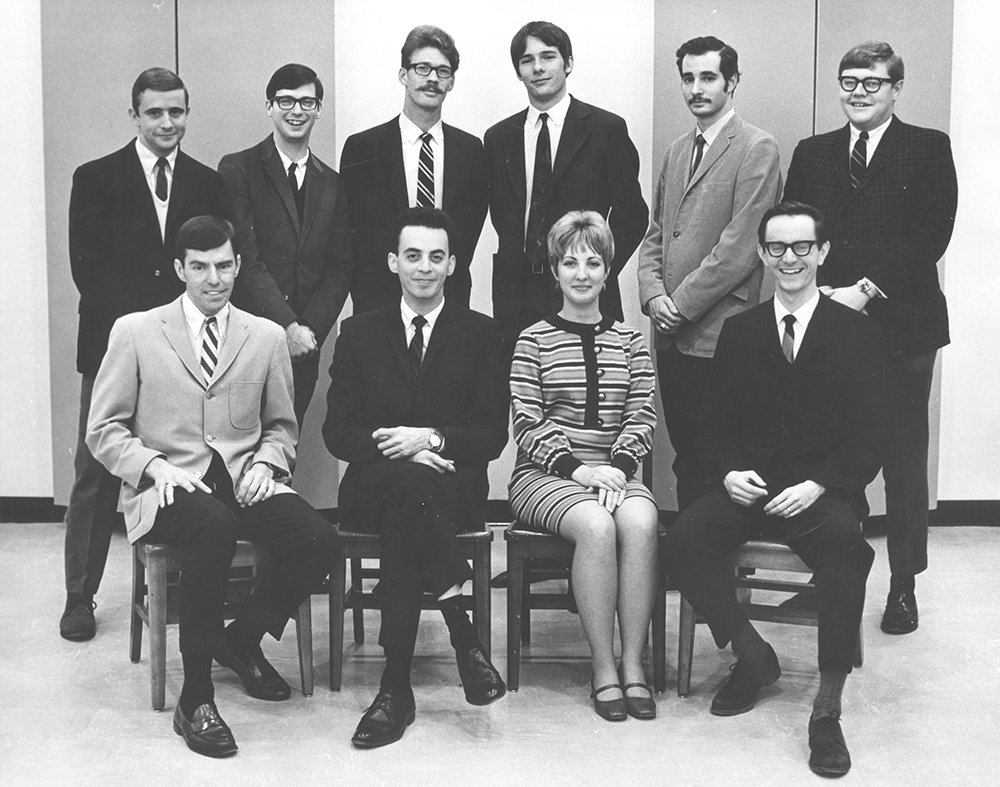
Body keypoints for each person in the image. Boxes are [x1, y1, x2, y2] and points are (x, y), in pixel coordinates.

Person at [86, 216, 338, 757]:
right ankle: (195, 697)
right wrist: (153, 466)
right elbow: (102, 431)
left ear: (238, 265)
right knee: (214, 526)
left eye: (224, 265)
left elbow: (282, 427)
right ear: (180, 269)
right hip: (170, 487)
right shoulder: (135, 331)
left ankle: (241, 641)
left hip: (243, 479)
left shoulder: (266, 336)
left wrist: (267, 466)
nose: (214, 278)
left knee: (320, 538)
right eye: (199, 267)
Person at [662, 202, 887, 777]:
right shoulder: (740, 331)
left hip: (818, 494)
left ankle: (827, 709)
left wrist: (819, 485)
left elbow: (871, 436)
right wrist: (730, 473)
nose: (790, 259)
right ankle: (753, 654)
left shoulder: (856, 332)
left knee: (845, 549)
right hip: (750, 489)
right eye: (778, 248)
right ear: (762, 254)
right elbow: (713, 426)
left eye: (802, 247)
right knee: (683, 539)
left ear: (823, 252)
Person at [783, 41, 958, 635]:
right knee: (827, 452)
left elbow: (931, 235)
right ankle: (826, 574)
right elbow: (796, 229)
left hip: (903, 326)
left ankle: (903, 587)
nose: (858, 91)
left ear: (895, 88)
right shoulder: (813, 152)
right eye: (849, 80)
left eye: (872, 82)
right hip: (829, 322)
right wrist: (817, 293)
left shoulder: (928, 147)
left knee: (904, 460)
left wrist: (865, 288)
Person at [324, 207, 508, 749]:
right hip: (372, 485)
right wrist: (398, 446)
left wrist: (427, 440)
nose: (423, 268)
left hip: (450, 486)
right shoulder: (358, 332)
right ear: (392, 262)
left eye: (435, 257)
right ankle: (465, 640)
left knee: (411, 504)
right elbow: (338, 432)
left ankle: (394, 688)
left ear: (453, 263)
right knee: (409, 488)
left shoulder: (482, 333)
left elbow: (490, 435)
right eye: (412, 256)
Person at [60, 67, 225, 642]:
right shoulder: (96, 177)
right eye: (154, 112)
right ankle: (79, 596)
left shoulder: (208, 182)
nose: (166, 123)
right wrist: (142, 335)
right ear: (134, 115)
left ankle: (180, 587)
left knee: (180, 458)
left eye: (176, 111)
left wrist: (177, 336)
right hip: (114, 343)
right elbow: (89, 269)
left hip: (186, 350)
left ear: (187, 113)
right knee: (96, 468)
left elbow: (207, 267)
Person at [509, 211, 659, 721]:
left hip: (616, 470)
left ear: (608, 269)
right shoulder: (532, 339)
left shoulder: (631, 341)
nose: (581, 273)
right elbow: (527, 422)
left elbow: (642, 414)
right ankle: (603, 668)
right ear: (554, 270)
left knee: (640, 521)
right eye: (569, 262)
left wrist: (616, 465)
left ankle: (633, 664)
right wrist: (580, 471)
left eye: (592, 262)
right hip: (546, 475)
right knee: (596, 526)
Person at [637, 36, 781, 512]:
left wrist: (678, 305)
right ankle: (689, 553)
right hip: (670, 330)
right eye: (688, 78)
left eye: (708, 77)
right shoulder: (678, 150)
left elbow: (740, 249)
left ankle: (714, 563)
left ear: (732, 82)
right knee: (686, 450)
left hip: (718, 331)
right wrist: (653, 295)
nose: (696, 88)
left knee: (718, 451)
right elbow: (657, 232)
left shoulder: (758, 148)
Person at [485, 20, 648, 351]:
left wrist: (594, 269)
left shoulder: (605, 129)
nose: (538, 68)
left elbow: (632, 215)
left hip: (583, 291)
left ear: (568, 63)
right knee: (520, 390)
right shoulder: (498, 137)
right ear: (518, 71)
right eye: (527, 60)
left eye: (548, 57)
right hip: (517, 293)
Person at [219, 63, 353, 428]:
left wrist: (309, 330)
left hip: (304, 348)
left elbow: (340, 268)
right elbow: (243, 257)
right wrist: (286, 327)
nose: (297, 111)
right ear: (269, 107)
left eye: (307, 102)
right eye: (286, 101)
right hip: (249, 339)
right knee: (239, 448)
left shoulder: (333, 184)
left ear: (319, 109)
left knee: (282, 451)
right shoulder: (238, 169)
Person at [341, 25, 487, 313]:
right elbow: (354, 235)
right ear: (403, 75)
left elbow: (467, 234)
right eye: (423, 68)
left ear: (451, 82)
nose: (433, 78)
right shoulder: (364, 148)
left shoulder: (470, 150)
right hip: (378, 303)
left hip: (449, 301)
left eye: (442, 71)